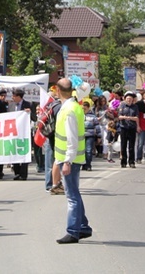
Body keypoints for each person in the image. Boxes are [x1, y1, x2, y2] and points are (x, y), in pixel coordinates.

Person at [53, 78, 92, 244]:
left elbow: (72, 138)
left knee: (72, 196)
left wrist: (67, 161)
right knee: (74, 192)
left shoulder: (69, 110)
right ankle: (83, 226)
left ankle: (73, 231)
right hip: (70, 157)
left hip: (70, 159)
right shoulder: (74, 106)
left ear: (58, 91)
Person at [11, 89, 34, 180]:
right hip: (13, 132)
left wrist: (30, 113)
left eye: (14, 96)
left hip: (24, 133)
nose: (12, 98)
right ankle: (17, 172)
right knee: (14, 151)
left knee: (24, 152)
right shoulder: (11, 105)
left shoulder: (28, 105)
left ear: (19, 97)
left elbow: (34, 118)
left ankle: (23, 174)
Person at [117, 91, 139, 168]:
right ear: (125, 99)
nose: (129, 100)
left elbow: (137, 117)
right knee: (123, 146)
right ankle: (123, 162)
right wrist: (125, 117)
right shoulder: (122, 106)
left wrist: (130, 118)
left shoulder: (135, 107)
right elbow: (119, 116)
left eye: (130, 98)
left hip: (132, 128)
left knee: (131, 146)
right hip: (124, 127)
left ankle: (131, 162)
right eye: (127, 98)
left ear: (133, 99)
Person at [82, 98, 100, 171]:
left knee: (88, 150)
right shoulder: (79, 115)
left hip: (90, 135)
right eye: (83, 109)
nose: (84, 110)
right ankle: (83, 164)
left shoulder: (93, 116)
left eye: (85, 109)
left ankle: (88, 164)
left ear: (88, 108)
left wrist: (99, 136)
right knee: (82, 151)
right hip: (81, 135)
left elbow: (97, 126)